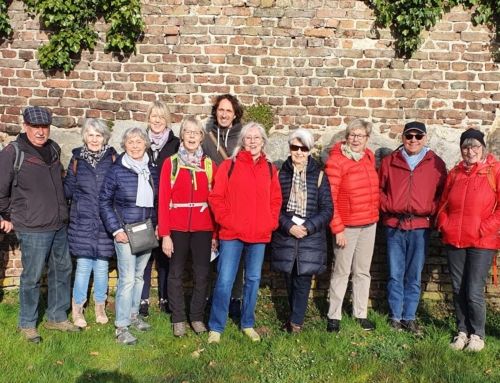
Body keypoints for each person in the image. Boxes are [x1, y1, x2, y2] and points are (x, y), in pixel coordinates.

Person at [0, 106, 81, 343]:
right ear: (25, 126)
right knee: (32, 276)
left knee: (62, 270)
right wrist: (4, 215)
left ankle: (56, 316)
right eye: (35, 127)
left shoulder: (53, 149)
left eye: (44, 127)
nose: (40, 132)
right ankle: (27, 323)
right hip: (32, 225)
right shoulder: (13, 152)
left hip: (58, 223)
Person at [207, 122, 282, 344]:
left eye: (256, 138)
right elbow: (216, 198)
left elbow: (276, 200)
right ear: (242, 141)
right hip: (231, 233)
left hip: (259, 235)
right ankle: (216, 327)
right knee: (225, 280)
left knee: (253, 279)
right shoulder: (229, 166)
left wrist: (270, 222)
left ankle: (247, 322)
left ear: (263, 142)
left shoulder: (269, 169)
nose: (252, 142)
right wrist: (226, 221)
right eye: (248, 138)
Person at [378, 121, 447, 335]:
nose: (413, 140)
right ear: (403, 138)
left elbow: (443, 194)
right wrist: (388, 205)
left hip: (420, 226)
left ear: (425, 138)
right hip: (395, 224)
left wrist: (429, 209)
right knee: (395, 273)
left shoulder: (435, 163)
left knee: (414, 274)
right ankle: (395, 316)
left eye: (418, 136)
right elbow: (378, 189)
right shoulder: (390, 161)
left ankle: (410, 317)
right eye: (409, 136)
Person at [437, 129, 500, 352]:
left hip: (482, 242)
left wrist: (483, 229)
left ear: (483, 148)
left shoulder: (495, 171)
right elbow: (443, 203)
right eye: (466, 147)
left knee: (473, 290)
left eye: (475, 146)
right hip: (455, 240)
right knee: (457, 289)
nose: (470, 151)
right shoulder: (455, 173)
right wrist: (444, 224)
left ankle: (478, 335)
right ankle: (462, 332)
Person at [158, 117, 217, 337]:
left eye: (196, 132)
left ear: (202, 136)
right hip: (177, 228)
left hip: (203, 228)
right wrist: (165, 234)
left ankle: (197, 316)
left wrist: (215, 234)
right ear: (182, 135)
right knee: (175, 273)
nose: (192, 136)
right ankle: (178, 318)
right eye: (188, 132)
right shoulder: (171, 163)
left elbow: (216, 201)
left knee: (202, 274)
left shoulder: (209, 165)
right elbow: (163, 200)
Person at [99, 127, 159, 345]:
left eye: (139, 142)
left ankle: (133, 316)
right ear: (125, 145)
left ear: (146, 144)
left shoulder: (151, 170)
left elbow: (158, 201)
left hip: (146, 231)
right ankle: (121, 327)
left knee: (139, 277)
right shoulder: (117, 170)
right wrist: (117, 229)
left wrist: (158, 225)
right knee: (126, 280)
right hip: (125, 232)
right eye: (131, 142)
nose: (135, 146)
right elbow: (104, 202)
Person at [271, 128, 332, 333]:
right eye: (295, 147)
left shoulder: (320, 176)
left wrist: (306, 227)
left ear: (310, 150)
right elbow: (273, 206)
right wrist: (289, 227)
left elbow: (327, 209)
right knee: (289, 277)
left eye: (303, 148)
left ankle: (296, 322)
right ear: (290, 148)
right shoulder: (279, 175)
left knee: (303, 278)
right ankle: (293, 317)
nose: (299, 152)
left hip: (309, 237)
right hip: (286, 235)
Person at [325, 119, 380, 333]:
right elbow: (331, 196)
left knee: (362, 272)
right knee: (341, 271)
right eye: (352, 135)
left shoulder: (368, 157)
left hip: (369, 223)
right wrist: (337, 227)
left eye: (361, 135)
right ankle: (334, 315)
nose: (356, 139)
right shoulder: (336, 161)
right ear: (346, 137)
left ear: (367, 139)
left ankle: (360, 313)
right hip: (346, 226)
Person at [64, 118, 117, 327]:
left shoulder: (113, 158)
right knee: (84, 266)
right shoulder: (77, 159)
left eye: (98, 135)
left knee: (102, 267)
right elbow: (68, 187)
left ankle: (100, 307)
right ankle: (78, 309)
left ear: (104, 137)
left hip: (105, 221)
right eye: (90, 135)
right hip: (82, 221)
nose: (94, 139)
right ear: (85, 136)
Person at [202, 94, 245, 319]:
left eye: (229, 110)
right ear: (216, 112)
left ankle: (235, 298)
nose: (224, 114)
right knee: (210, 251)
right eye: (221, 110)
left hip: (236, 203)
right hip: (212, 201)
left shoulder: (242, 138)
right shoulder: (207, 138)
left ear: (235, 114)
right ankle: (211, 297)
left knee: (235, 253)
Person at [140, 101, 180, 318]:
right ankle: (143, 298)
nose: (156, 120)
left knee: (166, 255)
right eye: (153, 116)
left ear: (167, 120)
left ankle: (165, 297)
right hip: (145, 208)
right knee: (146, 254)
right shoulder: (140, 141)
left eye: (161, 117)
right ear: (148, 118)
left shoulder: (175, 145)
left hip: (167, 207)